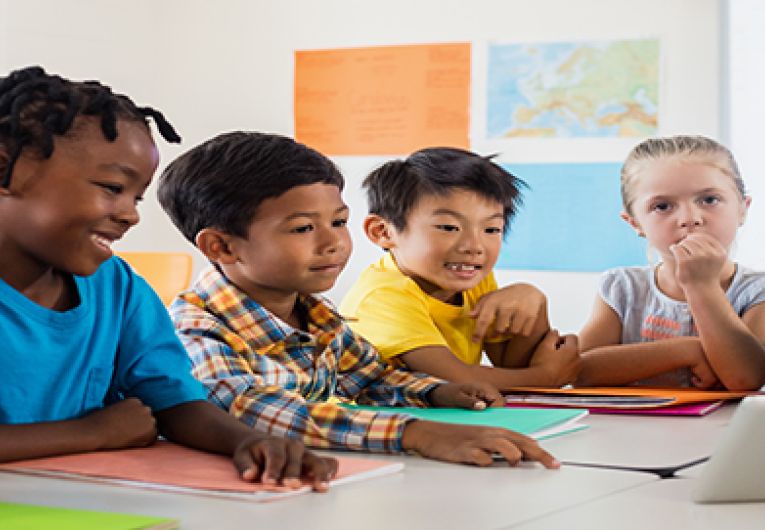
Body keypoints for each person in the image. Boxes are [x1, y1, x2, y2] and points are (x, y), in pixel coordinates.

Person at [0, 66, 336, 491]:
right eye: (110, 187)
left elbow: (173, 401)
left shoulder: (115, 286)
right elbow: (119, 426)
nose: (130, 214)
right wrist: (92, 432)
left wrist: (248, 441)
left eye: (136, 196)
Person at [157, 132, 559, 468]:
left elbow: (369, 378)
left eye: (338, 222)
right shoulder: (195, 329)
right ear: (222, 246)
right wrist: (415, 432)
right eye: (302, 228)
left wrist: (433, 392)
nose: (333, 243)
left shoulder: (317, 315)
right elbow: (252, 410)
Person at [339, 147, 579, 391]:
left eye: (491, 229)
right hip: (373, 424)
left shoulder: (469, 278)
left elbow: (513, 366)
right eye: (448, 227)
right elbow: (458, 380)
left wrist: (532, 300)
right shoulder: (382, 296)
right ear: (383, 232)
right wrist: (547, 377)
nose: (474, 247)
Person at [577, 135, 765, 390]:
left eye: (709, 200)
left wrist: (702, 286)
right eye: (663, 206)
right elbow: (578, 370)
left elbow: (746, 379)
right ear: (635, 223)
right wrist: (685, 350)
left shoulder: (756, 291)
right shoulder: (623, 287)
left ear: (743, 209)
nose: (690, 218)